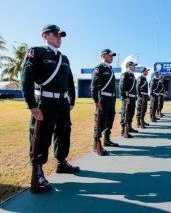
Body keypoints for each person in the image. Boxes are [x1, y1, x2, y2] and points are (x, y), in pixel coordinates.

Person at [21, 24, 79, 193]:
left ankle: (62, 162)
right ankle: (37, 171)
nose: (59, 37)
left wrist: (72, 100)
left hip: (62, 103)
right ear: (45, 36)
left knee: (64, 132)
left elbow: (69, 82)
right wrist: (32, 105)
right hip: (44, 102)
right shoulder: (36, 52)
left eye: (61, 35)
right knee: (41, 136)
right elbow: (26, 79)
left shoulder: (64, 58)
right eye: (56, 34)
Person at [91, 49, 119, 156]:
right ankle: (96, 144)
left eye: (112, 55)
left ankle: (107, 139)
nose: (112, 57)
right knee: (100, 121)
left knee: (110, 120)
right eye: (110, 55)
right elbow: (94, 86)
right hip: (102, 99)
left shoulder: (110, 69)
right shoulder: (99, 68)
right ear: (103, 56)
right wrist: (96, 101)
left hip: (111, 100)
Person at [120, 61, 138, 137]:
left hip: (133, 97)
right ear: (129, 66)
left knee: (131, 113)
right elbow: (121, 86)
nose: (135, 67)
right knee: (125, 114)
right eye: (133, 65)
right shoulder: (125, 74)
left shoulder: (132, 75)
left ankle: (129, 127)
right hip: (128, 97)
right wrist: (124, 97)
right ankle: (123, 130)